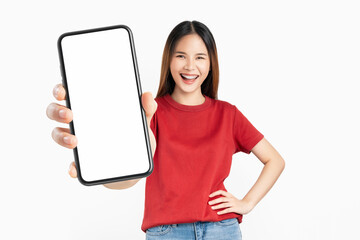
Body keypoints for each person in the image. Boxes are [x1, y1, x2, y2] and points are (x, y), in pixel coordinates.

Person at [46, 20, 285, 240]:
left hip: (221, 229)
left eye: (200, 57)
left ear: (211, 63)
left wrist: (247, 203)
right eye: (181, 56)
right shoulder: (151, 112)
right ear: (168, 60)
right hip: (166, 233)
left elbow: (275, 160)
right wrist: (99, 171)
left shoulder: (228, 114)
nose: (190, 66)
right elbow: (130, 179)